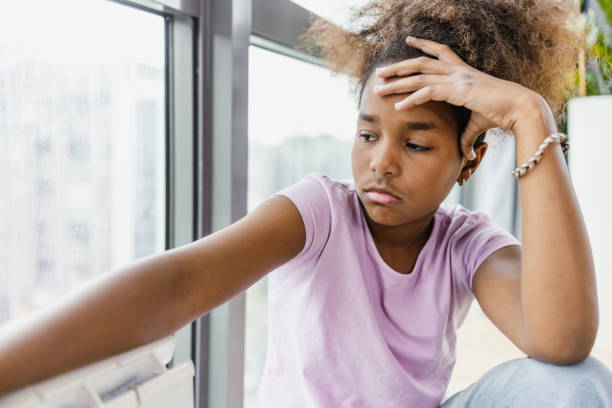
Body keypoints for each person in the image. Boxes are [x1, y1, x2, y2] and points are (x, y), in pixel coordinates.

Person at [1, 0, 611, 406]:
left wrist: (530, 116)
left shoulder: (462, 242)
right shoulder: (321, 213)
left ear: (468, 160)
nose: (382, 162)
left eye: (418, 143)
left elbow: (560, 342)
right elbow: (178, 284)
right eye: (368, 134)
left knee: (578, 383)